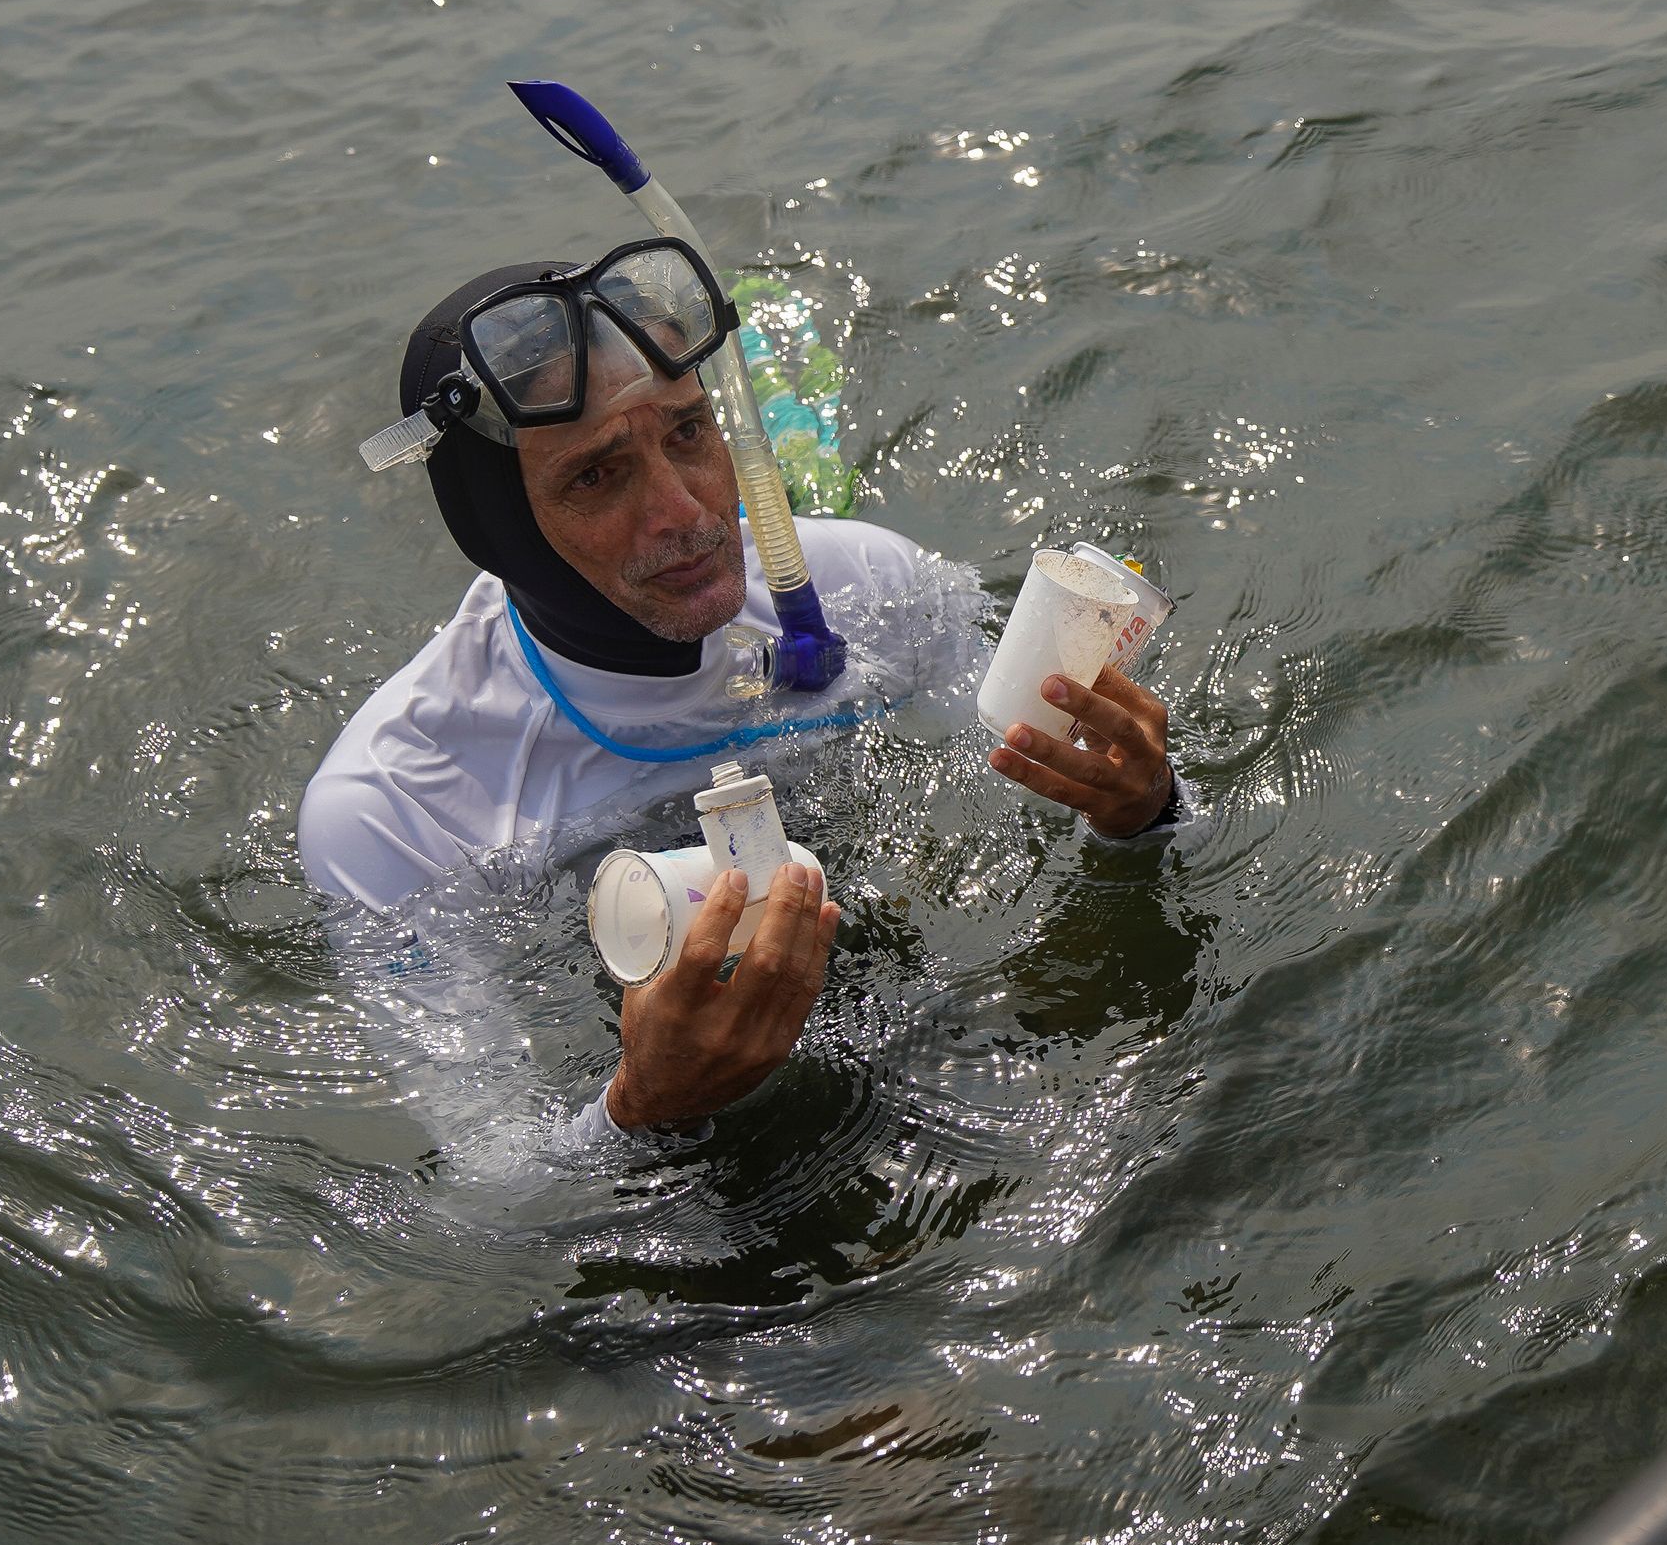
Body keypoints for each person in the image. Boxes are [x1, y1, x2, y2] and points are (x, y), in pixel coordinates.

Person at [300, 251, 1192, 1144]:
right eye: (595, 477)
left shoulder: (867, 585)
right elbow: (495, 1197)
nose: (686, 513)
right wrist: (642, 1106)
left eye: (688, 432)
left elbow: (1036, 783)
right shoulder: (395, 805)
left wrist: (1144, 812)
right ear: (500, 531)